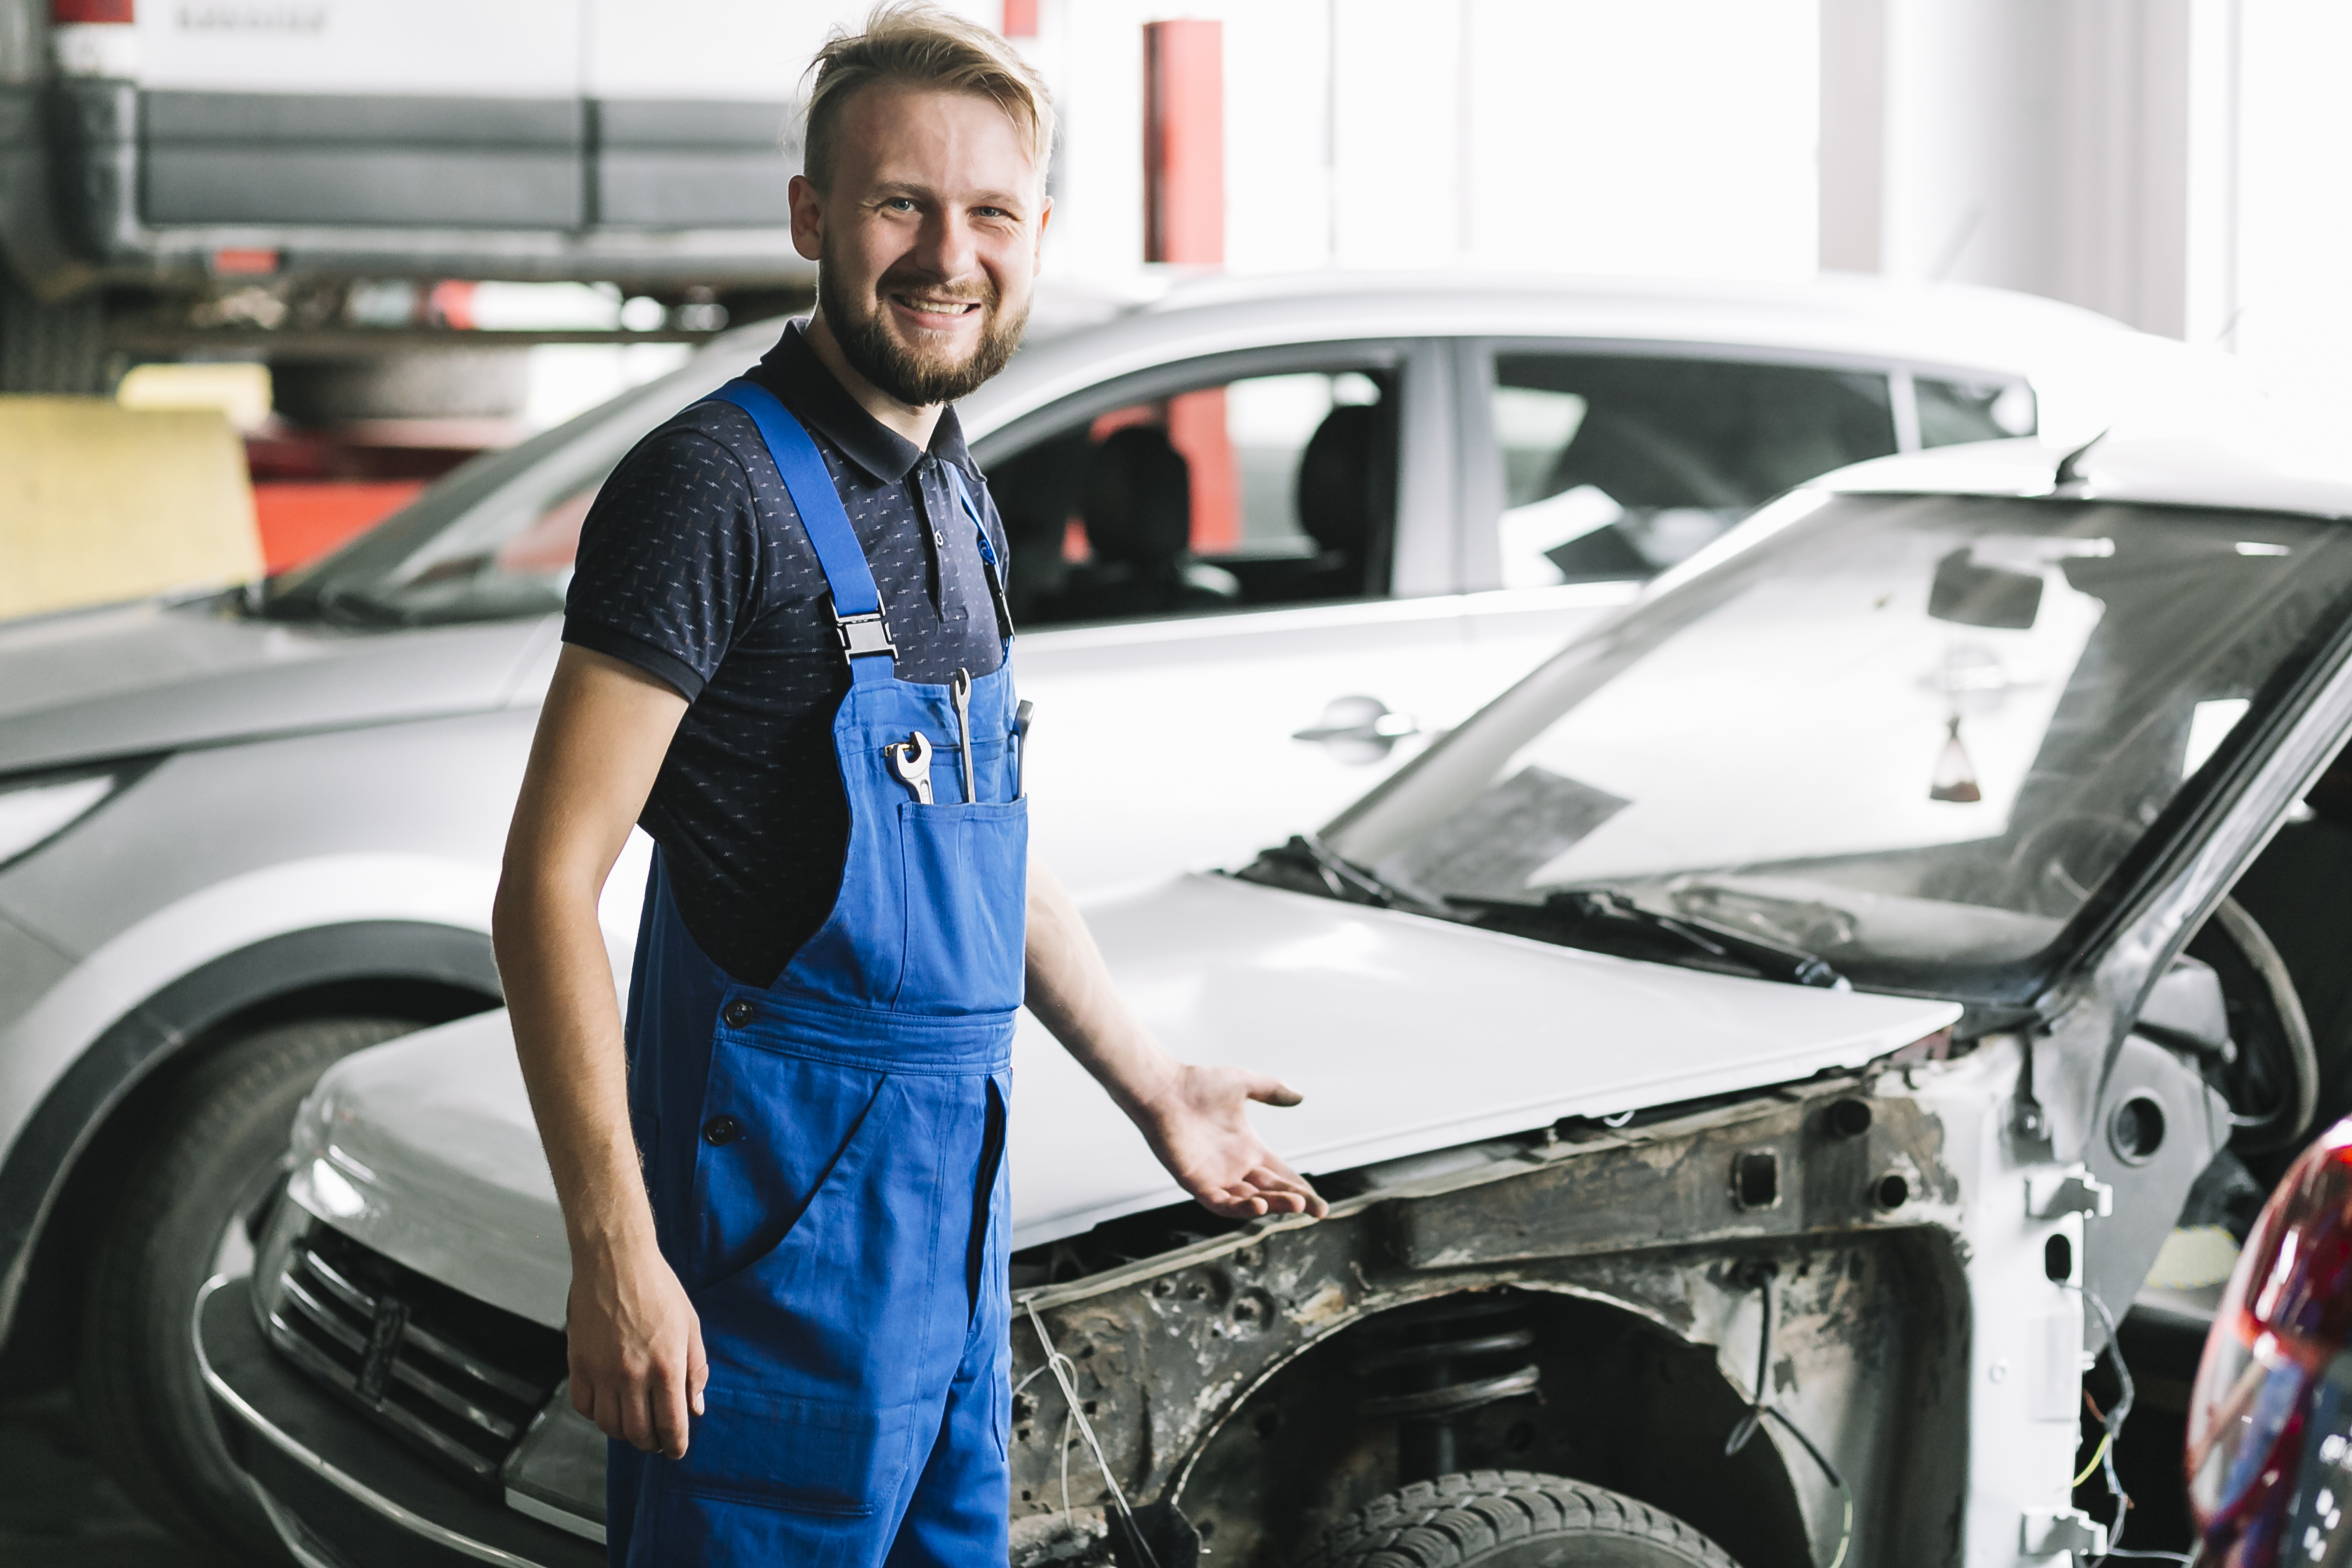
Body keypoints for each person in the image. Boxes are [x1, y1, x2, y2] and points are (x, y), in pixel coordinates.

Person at [488, 6, 1326, 1565]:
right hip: (771, 1262)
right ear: (812, 216)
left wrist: (1158, 1089)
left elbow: (979, 848)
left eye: (990, 213)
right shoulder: (710, 489)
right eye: (900, 204)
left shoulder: (957, 487)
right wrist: (614, 1247)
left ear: (1038, 235)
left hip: (950, 1252)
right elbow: (546, 880)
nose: (950, 254)